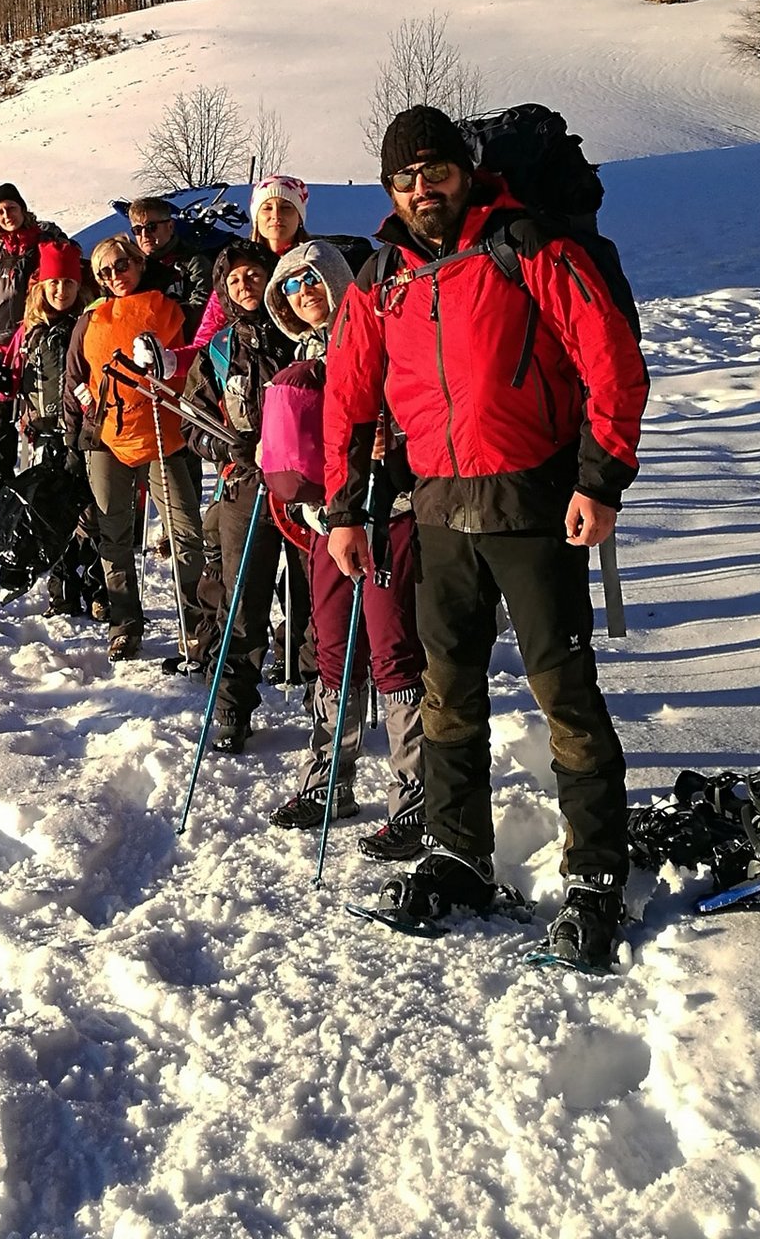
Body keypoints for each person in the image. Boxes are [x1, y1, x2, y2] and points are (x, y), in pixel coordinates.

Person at [324, 106, 648, 966]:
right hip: (436, 509)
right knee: (447, 693)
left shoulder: (524, 245)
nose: (423, 191)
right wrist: (347, 509)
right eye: (406, 179)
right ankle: (456, 851)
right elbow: (350, 398)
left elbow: (610, 356)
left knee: (564, 695)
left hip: (533, 501)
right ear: (390, 190)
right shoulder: (382, 276)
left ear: (463, 171)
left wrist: (599, 480)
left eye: (435, 172)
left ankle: (594, 876)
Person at [260, 238, 429, 858]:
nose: (303, 293)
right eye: (292, 286)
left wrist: (395, 446)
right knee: (333, 647)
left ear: (336, 283)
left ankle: (416, 801)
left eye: (313, 281)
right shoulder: (303, 355)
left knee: (393, 651)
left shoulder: (382, 337)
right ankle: (330, 780)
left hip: (389, 512)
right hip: (326, 522)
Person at [184, 241, 304, 749]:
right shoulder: (219, 348)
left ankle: (323, 694)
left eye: (254, 275)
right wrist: (227, 448)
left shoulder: (301, 334)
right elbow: (194, 420)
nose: (245, 284)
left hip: (306, 486)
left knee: (312, 598)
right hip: (245, 486)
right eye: (234, 280)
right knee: (242, 598)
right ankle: (233, 705)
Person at [62, 233, 205, 662]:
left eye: (122, 265)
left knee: (186, 531)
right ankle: (124, 622)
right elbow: (74, 378)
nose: (115, 276)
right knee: (114, 532)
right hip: (106, 437)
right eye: (104, 271)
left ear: (139, 264)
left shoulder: (171, 307)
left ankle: (195, 622)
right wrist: (72, 438)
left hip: (165, 434)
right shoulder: (90, 319)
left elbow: (197, 357)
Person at [11, 237, 100, 616]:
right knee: (53, 514)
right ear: (41, 287)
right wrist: (13, 398)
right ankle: (61, 589)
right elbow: (22, 375)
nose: (61, 291)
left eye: (68, 283)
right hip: (44, 431)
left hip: (85, 431)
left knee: (93, 513)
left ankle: (98, 587)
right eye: (54, 284)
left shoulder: (89, 324)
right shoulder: (29, 331)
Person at [0, 181, 56, 489]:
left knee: (38, 410)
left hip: (32, 341)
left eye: (12, 208)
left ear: (23, 209)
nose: (7, 215)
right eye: (0, 211)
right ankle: (0, 474)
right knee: (3, 411)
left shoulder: (41, 245)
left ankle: (41, 477)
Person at [189, 173, 313, 356]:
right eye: (267, 208)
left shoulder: (314, 263)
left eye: (286, 207)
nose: (276, 215)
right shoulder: (235, 266)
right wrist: (170, 360)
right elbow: (205, 343)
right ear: (256, 217)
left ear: (300, 217)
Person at [129, 195, 225, 338]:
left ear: (170, 226)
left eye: (151, 227)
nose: (144, 234)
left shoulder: (194, 262)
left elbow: (201, 311)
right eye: (137, 230)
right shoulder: (132, 268)